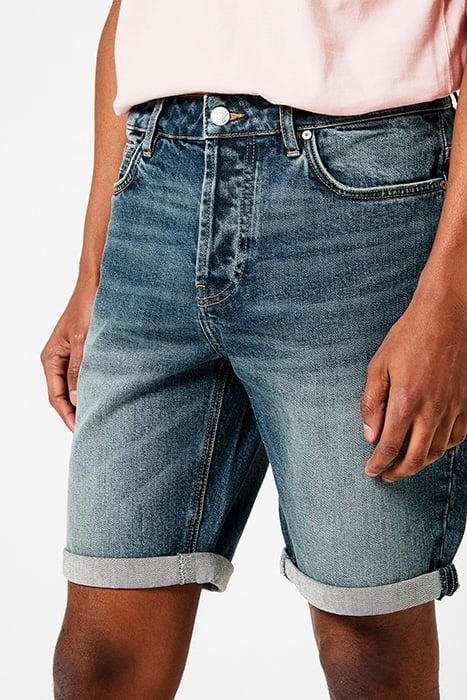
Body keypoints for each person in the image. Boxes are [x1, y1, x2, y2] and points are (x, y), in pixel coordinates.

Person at [42, 1, 467, 698]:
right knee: (98, 659)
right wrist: (92, 272)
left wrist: (450, 302)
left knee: (366, 639)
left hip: (357, 204)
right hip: (153, 188)